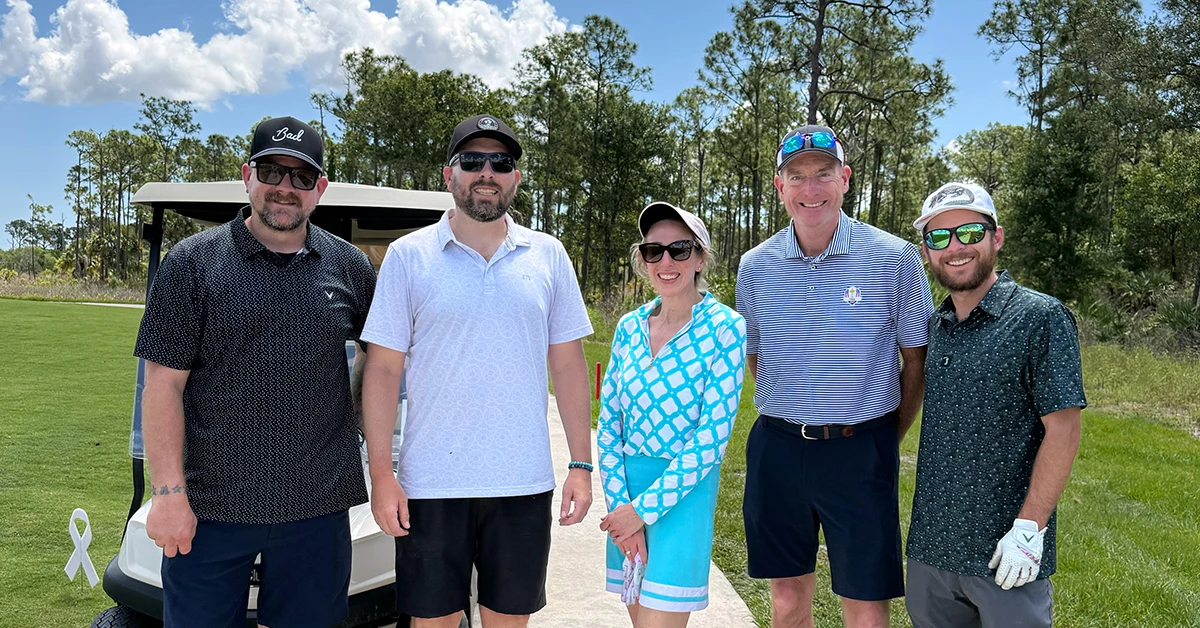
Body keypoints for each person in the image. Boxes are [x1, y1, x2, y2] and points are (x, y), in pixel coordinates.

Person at [135, 116, 376, 627]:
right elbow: (163, 385)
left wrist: (356, 420)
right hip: (209, 509)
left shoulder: (350, 266)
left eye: (301, 177)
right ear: (247, 175)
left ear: (320, 190)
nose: (285, 188)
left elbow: (382, 359)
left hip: (319, 504)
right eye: (272, 171)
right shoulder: (192, 263)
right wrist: (167, 493)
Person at [360, 114, 595, 628]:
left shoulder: (549, 256)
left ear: (515, 178)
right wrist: (382, 475)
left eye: (501, 162)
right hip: (430, 486)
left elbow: (569, 365)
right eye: (472, 161)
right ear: (449, 174)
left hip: (522, 483)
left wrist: (581, 464)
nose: (486, 172)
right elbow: (381, 371)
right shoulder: (408, 256)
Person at [735, 125, 934, 628]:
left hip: (860, 449)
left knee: (865, 604)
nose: (811, 188)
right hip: (778, 448)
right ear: (779, 187)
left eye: (823, 173)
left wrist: (888, 434)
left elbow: (916, 359)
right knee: (785, 598)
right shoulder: (755, 267)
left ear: (845, 179)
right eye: (796, 177)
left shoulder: (894, 257)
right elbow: (757, 357)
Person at [904, 182, 1086, 628]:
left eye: (969, 232)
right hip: (931, 552)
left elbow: (1063, 429)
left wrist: (1031, 526)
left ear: (996, 237)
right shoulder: (937, 324)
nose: (955, 248)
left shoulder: (1039, 317)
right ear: (927, 250)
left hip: (1005, 554)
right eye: (939, 238)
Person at [596, 202, 747, 627]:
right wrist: (624, 512)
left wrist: (640, 512)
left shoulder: (725, 328)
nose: (666, 261)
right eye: (653, 251)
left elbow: (711, 439)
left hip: (681, 500)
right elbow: (609, 426)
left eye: (679, 250)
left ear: (700, 257)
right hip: (625, 499)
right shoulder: (628, 327)